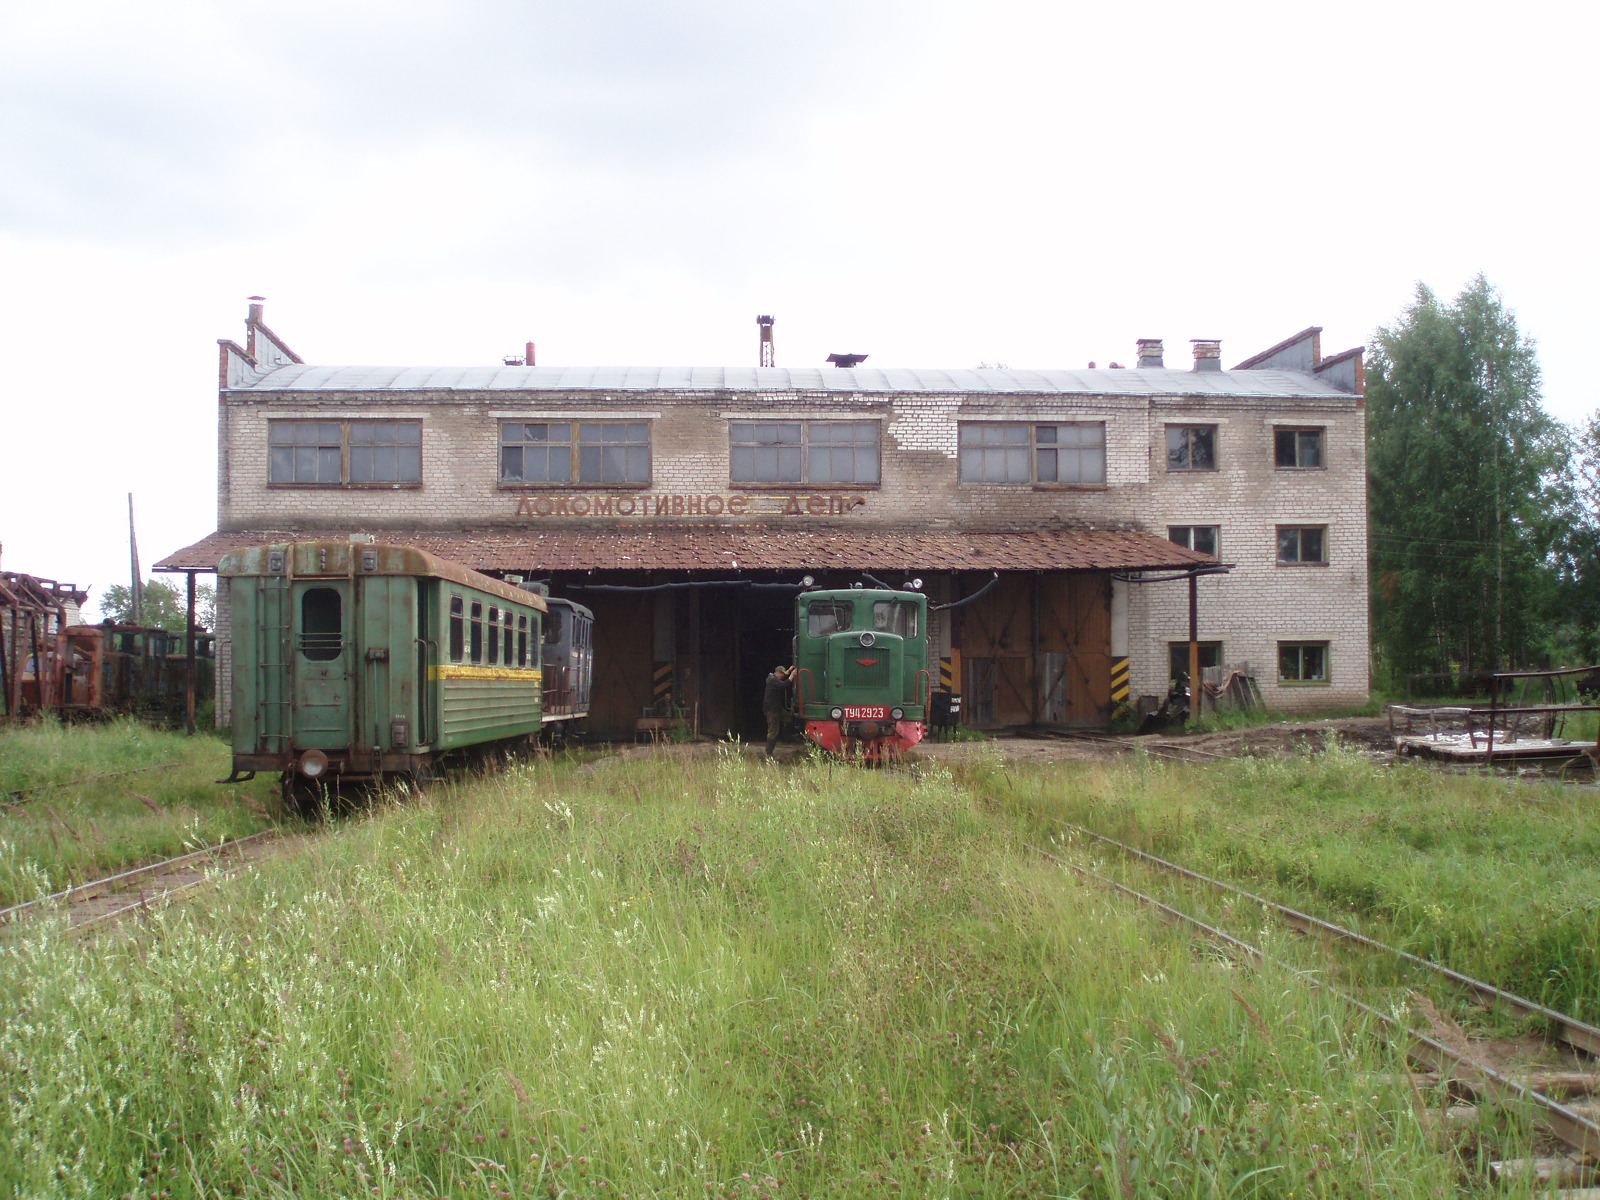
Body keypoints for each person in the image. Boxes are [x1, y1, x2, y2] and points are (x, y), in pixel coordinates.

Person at [763, 664, 796, 758]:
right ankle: (769, 753)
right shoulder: (772, 680)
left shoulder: (774, 678)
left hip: (777, 708)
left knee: (789, 718)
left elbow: (784, 676)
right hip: (771, 709)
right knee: (773, 730)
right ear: (778, 673)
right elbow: (784, 685)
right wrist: (792, 675)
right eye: (782, 674)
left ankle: (787, 738)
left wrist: (790, 670)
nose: (783, 676)